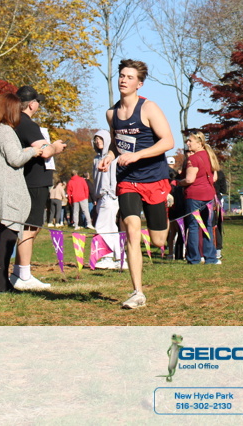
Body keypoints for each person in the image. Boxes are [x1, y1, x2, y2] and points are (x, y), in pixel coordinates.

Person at [97, 59, 175, 309]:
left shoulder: (149, 108)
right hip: (127, 179)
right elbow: (115, 143)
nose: (123, 80)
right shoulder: (111, 114)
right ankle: (137, 292)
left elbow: (168, 141)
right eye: (121, 75)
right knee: (131, 229)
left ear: (139, 84)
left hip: (154, 178)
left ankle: (164, 207)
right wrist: (109, 157)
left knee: (158, 241)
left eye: (129, 77)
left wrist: (138, 155)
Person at [0, 92, 46, 293]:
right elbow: (15, 159)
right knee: (7, 239)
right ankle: (0, 285)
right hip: (8, 190)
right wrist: (33, 151)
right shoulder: (5, 131)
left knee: (0, 239)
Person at [12, 86, 67, 291]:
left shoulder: (14, 122)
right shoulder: (27, 124)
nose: (38, 105)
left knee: (30, 226)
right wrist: (56, 147)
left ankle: (19, 272)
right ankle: (24, 275)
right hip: (33, 182)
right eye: (38, 102)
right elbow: (44, 151)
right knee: (30, 227)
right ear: (32, 104)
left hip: (28, 181)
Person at [177, 130, 220, 264]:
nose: (188, 143)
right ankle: (210, 257)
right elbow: (214, 178)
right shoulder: (210, 156)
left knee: (193, 226)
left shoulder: (193, 159)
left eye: (190, 141)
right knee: (207, 226)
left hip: (194, 195)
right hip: (209, 195)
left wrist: (179, 183)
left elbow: (189, 179)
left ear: (199, 142)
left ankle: (194, 258)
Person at [91, 130, 123, 269]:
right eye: (96, 139)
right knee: (111, 228)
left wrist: (111, 193)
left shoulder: (113, 158)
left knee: (102, 227)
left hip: (109, 196)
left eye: (101, 139)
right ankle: (120, 258)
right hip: (100, 197)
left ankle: (107, 257)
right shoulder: (95, 159)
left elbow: (114, 177)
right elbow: (95, 179)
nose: (98, 141)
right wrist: (96, 196)